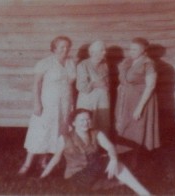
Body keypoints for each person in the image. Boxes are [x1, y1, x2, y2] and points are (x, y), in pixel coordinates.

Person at [40, 109, 151, 195]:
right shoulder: (64, 138)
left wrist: (113, 159)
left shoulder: (96, 133)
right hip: (74, 178)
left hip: (93, 174)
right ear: (73, 123)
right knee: (105, 160)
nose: (86, 123)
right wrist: (43, 176)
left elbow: (110, 146)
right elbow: (55, 159)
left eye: (88, 119)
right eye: (81, 120)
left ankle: (144, 193)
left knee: (113, 162)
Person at [18, 36, 76, 175]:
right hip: (48, 104)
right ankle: (27, 164)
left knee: (56, 132)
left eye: (67, 46)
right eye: (62, 46)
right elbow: (36, 84)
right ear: (54, 48)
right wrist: (37, 104)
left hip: (65, 105)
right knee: (40, 132)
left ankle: (43, 161)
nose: (65, 49)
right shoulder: (45, 63)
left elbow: (71, 86)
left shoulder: (71, 63)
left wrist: (72, 104)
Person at [115, 37, 160, 163]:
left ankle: (135, 160)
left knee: (136, 128)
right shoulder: (129, 62)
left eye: (135, 49)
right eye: (130, 49)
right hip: (126, 100)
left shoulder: (148, 63)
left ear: (143, 50)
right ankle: (124, 157)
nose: (131, 51)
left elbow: (151, 86)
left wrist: (139, 108)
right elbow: (124, 79)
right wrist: (121, 86)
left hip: (139, 100)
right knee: (124, 126)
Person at [76, 41, 111, 135]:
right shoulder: (83, 65)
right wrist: (95, 84)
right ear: (92, 53)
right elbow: (81, 87)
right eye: (101, 50)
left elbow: (106, 83)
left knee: (102, 122)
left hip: (102, 99)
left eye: (105, 50)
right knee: (87, 122)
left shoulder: (104, 64)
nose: (104, 52)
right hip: (88, 99)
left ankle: (101, 145)